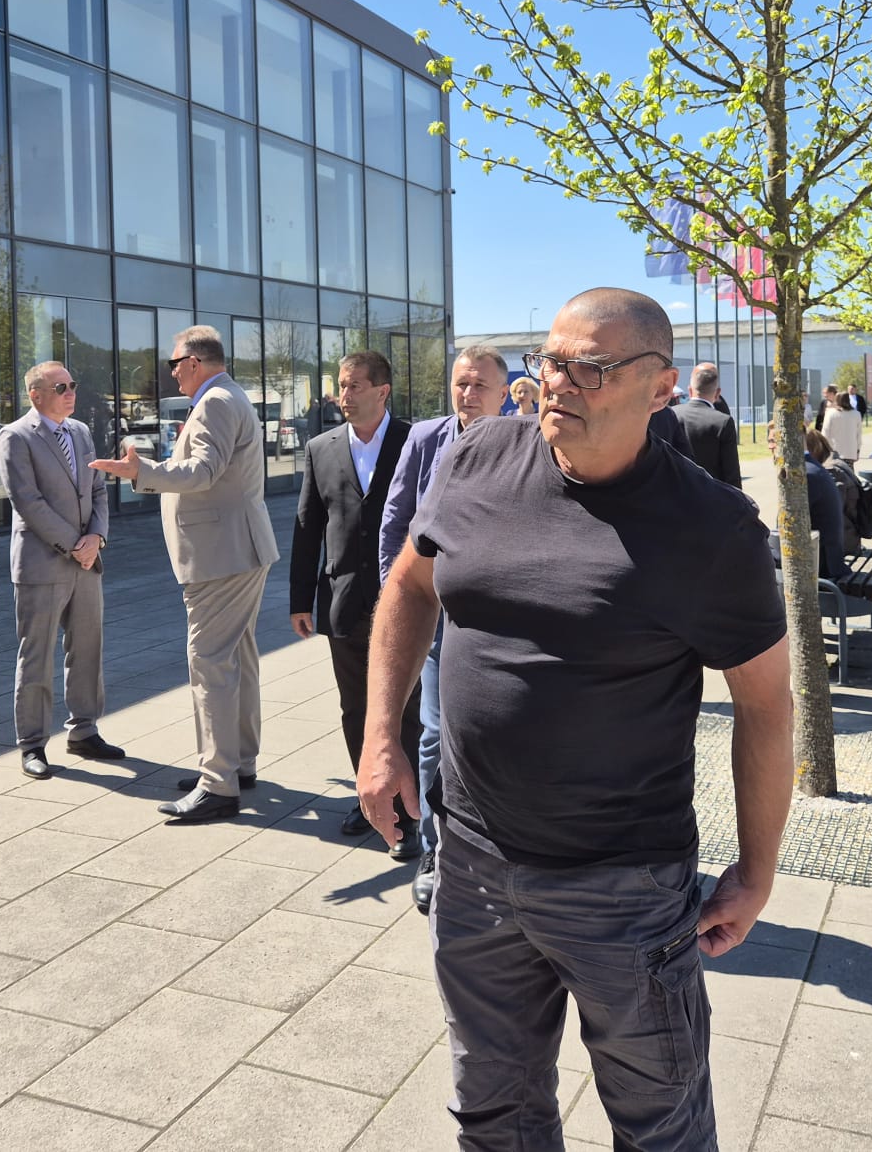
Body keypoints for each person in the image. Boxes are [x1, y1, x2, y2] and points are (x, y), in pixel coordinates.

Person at [359, 288, 792, 1151]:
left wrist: (756, 870)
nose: (559, 382)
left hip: (624, 889)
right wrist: (381, 738)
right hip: (472, 864)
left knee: (662, 1128)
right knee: (494, 1115)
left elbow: (766, 704)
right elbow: (408, 584)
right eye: (551, 361)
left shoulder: (713, 530)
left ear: (660, 388)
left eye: (590, 368)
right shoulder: (478, 455)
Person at [94, 325, 279, 823]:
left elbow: (202, 471)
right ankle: (237, 764)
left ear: (194, 362)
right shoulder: (227, 396)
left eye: (174, 363)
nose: (171, 372)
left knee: (210, 662)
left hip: (222, 554)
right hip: (236, 549)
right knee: (236, 657)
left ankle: (218, 783)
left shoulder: (215, 401)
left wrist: (143, 471)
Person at [377, 344, 508, 912]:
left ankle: (496, 849)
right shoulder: (426, 438)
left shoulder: (528, 441)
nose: (468, 393)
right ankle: (435, 851)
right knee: (433, 734)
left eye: (479, 384)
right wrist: (396, 599)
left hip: (500, 620)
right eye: (460, 383)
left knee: (495, 736)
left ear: (503, 393)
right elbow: (395, 521)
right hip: (436, 615)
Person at [289, 351, 417, 858]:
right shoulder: (320, 449)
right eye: (341, 385)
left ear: (382, 391)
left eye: (354, 386)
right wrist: (300, 600)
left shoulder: (414, 442)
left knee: (406, 706)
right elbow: (307, 528)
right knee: (355, 707)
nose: (343, 395)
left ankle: (408, 810)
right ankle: (369, 799)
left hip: (405, 603)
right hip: (343, 600)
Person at [0, 362, 118, 780]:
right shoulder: (15, 437)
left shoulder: (80, 432)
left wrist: (96, 538)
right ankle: (32, 744)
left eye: (72, 385)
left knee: (87, 649)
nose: (70, 393)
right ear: (36, 394)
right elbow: (27, 502)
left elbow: (98, 489)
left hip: (86, 561)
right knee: (36, 655)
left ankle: (84, 731)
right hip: (43, 563)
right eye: (61, 387)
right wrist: (75, 545)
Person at [674, 362, 742, 487]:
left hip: (676, 493)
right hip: (712, 494)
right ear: (718, 393)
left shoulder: (672, 415)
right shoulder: (723, 422)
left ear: (690, 390)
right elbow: (731, 473)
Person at [801, 429, 852, 582]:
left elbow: (788, 525)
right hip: (830, 557)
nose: (770, 446)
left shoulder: (806, 474)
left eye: (773, 441)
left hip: (823, 566)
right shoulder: (813, 467)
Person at [822, 388, 863, 461]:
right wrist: (858, 450)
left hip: (833, 451)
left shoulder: (830, 413)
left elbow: (825, 433)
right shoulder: (856, 414)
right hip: (850, 452)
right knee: (848, 468)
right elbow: (858, 435)